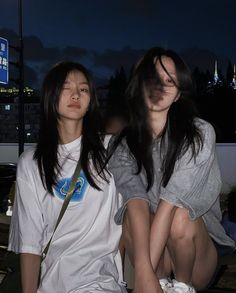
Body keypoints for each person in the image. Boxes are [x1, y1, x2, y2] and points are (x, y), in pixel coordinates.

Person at [108, 47, 235, 293]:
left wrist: (142, 277)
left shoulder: (199, 133)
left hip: (196, 251)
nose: (161, 86)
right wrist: (146, 274)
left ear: (178, 94)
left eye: (170, 80)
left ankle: (182, 287)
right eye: (153, 78)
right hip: (154, 251)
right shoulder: (122, 143)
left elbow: (170, 203)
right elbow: (136, 201)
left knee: (179, 215)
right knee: (131, 215)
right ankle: (159, 281)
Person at [8, 61, 127, 293]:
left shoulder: (111, 150)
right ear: (51, 96)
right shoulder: (31, 162)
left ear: (91, 100)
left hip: (101, 284)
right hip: (52, 284)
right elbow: (31, 242)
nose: (76, 94)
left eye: (83, 89)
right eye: (66, 87)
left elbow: (128, 215)